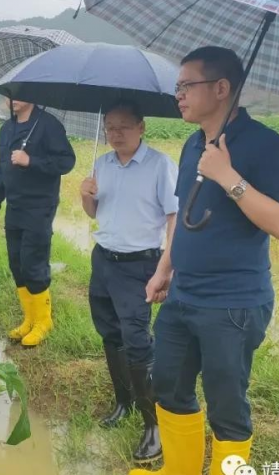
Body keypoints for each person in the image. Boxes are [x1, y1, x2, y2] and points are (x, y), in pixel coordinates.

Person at [132, 47, 279, 475]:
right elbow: (185, 218)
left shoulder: (265, 145)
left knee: (227, 405)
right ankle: (179, 469)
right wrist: (163, 270)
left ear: (221, 88)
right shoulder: (193, 145)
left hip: (233, 304)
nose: (179, 95)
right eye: (178, 87)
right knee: (168, 386)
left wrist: (228, 177)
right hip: (183, 295)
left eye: (187, 86)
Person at [80, 101, 176, 462]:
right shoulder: (101, 164)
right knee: (110, 333)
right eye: (109, 127)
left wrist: (165, 267)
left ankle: (153, 425)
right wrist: (85, 195)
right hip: (103, 259)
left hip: (140, 264)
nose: (115, 133)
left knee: (137, 340)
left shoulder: (159, 165)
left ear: (141, 127)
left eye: (122, 126)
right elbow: (95, 212)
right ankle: (124, 403)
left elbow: (174, 217)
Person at [0, 100, 75, 348]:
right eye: (8, 95)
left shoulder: (48, 125)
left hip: (39, 207)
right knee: (16, 263)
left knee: (33, 262)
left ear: (31, 96)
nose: (11, 100)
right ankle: (29, 319)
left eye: (17, 94)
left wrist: (31, 161)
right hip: (14, 207)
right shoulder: (7, 130)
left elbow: (66, 162)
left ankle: (44, 321)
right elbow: (1, 168)